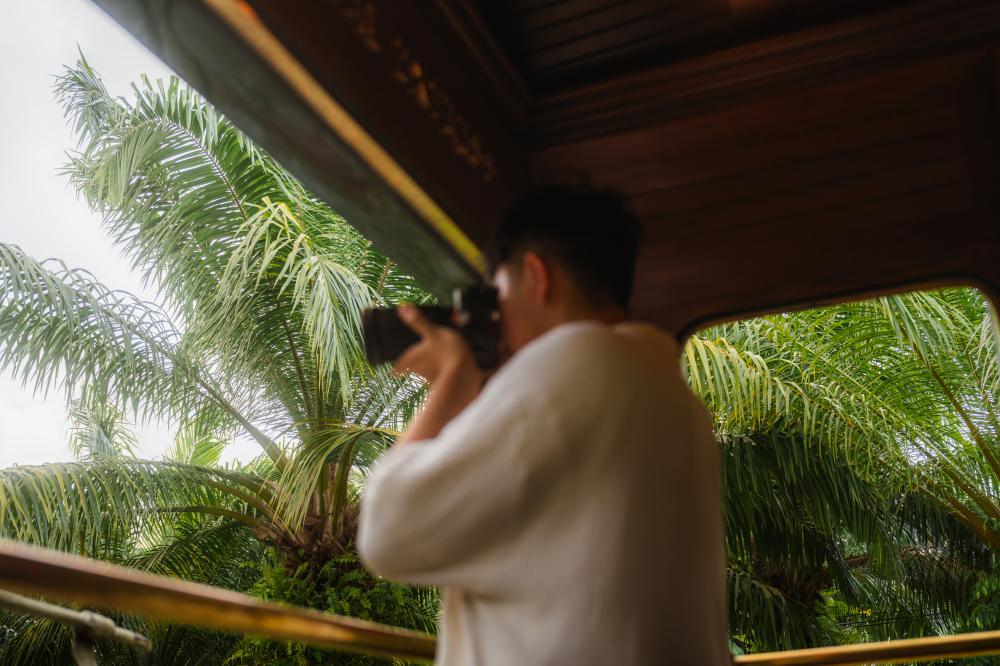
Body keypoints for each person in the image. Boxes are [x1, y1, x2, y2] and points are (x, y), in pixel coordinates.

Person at [357, 185, 730, 665]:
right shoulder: (672, 394)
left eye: (500, 296)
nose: (499, 324)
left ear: (536, 275)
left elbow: (387, 532)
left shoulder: (572, 365)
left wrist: (454, 376)